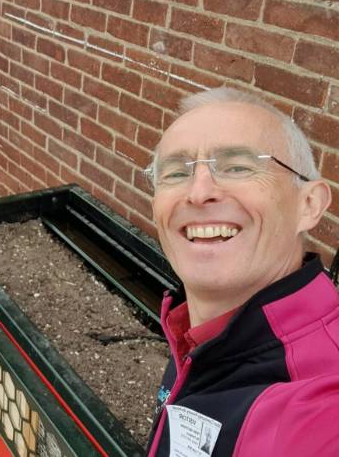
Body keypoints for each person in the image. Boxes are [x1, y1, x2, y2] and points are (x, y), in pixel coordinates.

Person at [144, 87, 338, 456]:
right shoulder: (195, 332)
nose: (198, 193)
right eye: (174, 173)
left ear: (310, 205)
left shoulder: (318, 408)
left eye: (237, 167)